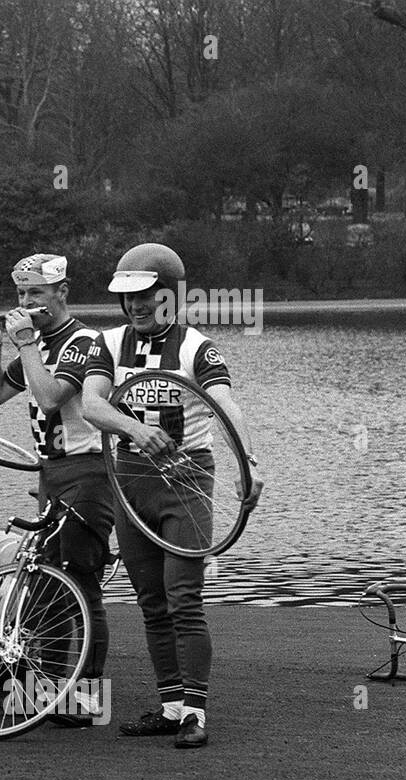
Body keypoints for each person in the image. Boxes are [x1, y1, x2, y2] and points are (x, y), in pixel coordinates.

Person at [81, 243, 265, 748]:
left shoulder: (197, 348)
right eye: (129, 297)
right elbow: (92, 406)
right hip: (129, 481)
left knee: (184, 597)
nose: (137, 306)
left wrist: (247, 464)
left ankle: (196, 713)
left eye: (147, 296)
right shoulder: (107, 343)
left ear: (171, 296)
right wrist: (134, 430)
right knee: (151, 601)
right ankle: (169, 705)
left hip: (185, 482)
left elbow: (225, 406)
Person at [0, 253, 113, 727]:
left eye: (36, 293)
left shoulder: (85, 342)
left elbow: (51, 395)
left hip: (89, 473)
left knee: (81, 582)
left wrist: (26, 342)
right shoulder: (37, 344)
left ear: (62, 292)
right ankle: (50, 693)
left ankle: (91, 694)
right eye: (20, 294)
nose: (27, 302)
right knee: (48, 583)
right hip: (52, 474)